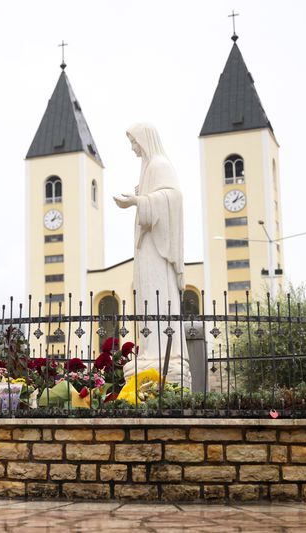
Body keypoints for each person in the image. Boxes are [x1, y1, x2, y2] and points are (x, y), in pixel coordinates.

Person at [114, 123, 190, 387]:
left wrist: (137, 201)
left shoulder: (159, 164)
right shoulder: (148, 167)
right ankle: (151, 352)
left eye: (134, 142)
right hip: (147, 248)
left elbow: (173, 197)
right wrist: (140, 198)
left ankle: (164, 354)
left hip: (157, 250)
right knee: (148, 298)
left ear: (144, 140)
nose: (133, 148)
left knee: (159, 297)